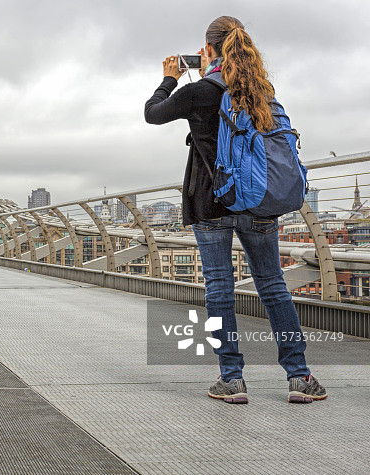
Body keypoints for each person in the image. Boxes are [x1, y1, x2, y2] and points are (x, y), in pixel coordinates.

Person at [144, 16, 325, 405]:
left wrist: (170, 78)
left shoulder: (199, 92)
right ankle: (300, 377)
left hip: (211, 205)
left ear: (209, 49)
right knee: (272, 285)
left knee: (219, 288)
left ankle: (231, 379)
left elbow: (152, 112)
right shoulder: (260, 90)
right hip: (259, 202)